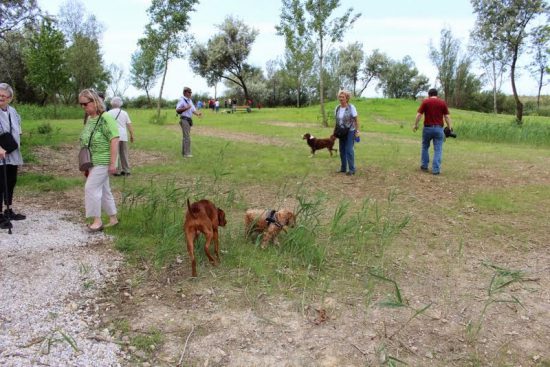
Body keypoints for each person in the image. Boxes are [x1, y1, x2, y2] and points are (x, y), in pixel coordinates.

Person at [79, 88, 120, 231]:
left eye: (85, 104)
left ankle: (97, 221)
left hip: (103, 160)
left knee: (91, 188)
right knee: (104, 189)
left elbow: (114, 139)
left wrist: (113, 163)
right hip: (92, 160)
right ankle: (113, 218)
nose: (83, 107)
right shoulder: (90, 118)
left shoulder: (106, 118)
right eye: (81, 105)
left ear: (95, 101)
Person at [0, 83, 25, 229]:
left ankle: (8, 210)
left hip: (12, 152)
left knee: (10, 181)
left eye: (3, 95)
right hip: (0, 153)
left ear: (9, 98)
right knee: (0, 184)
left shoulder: (13, 111)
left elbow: (18, 129)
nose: (1, 97)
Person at [413, 88, 452, 175]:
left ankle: (424, 166)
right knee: (438, 149)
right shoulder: (442, 103)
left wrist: (415, 125)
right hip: (439, 129)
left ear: (429, 94)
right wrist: (449, 127)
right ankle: (436, 169)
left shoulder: (426, 102)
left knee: (425, 147)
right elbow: (447, 116)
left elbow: (419, 115)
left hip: (427, 128)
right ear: (436, 94)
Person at [333, 89, 360, 176]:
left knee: (349, 150)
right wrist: (334, 132)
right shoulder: (337, 108)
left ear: (347, 98)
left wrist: (357, 131)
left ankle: (352, 169)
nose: (341, 98)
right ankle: (343, 168)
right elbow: (336, 121)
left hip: (350, 131)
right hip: (341, 132)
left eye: (343, 97)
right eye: (340, 97)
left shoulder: (351, 107)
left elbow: (356, 120)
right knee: (342, 150)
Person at [108, 96, 134, 176]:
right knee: (124, 153)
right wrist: (132, 135)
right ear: (120, 104)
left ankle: (117, 171)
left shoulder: (109, 113)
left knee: (115, 153)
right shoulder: (124, 113)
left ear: (112, 103)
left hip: (113, 136)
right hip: (123, 135)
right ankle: (126, 170)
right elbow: (129, 124)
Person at [176, 87, 202, 158]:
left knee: (186, 137)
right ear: (184, 92)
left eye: (191, 92)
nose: (190, 93)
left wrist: (197, 114)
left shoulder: (189, 100)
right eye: (189, 92)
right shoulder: (182, 100)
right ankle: (186, 154)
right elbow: (177, 110)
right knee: (187, 137)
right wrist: (186, 108)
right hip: (184, 119)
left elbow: (192, 110)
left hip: (188, 120)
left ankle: (184, 152)